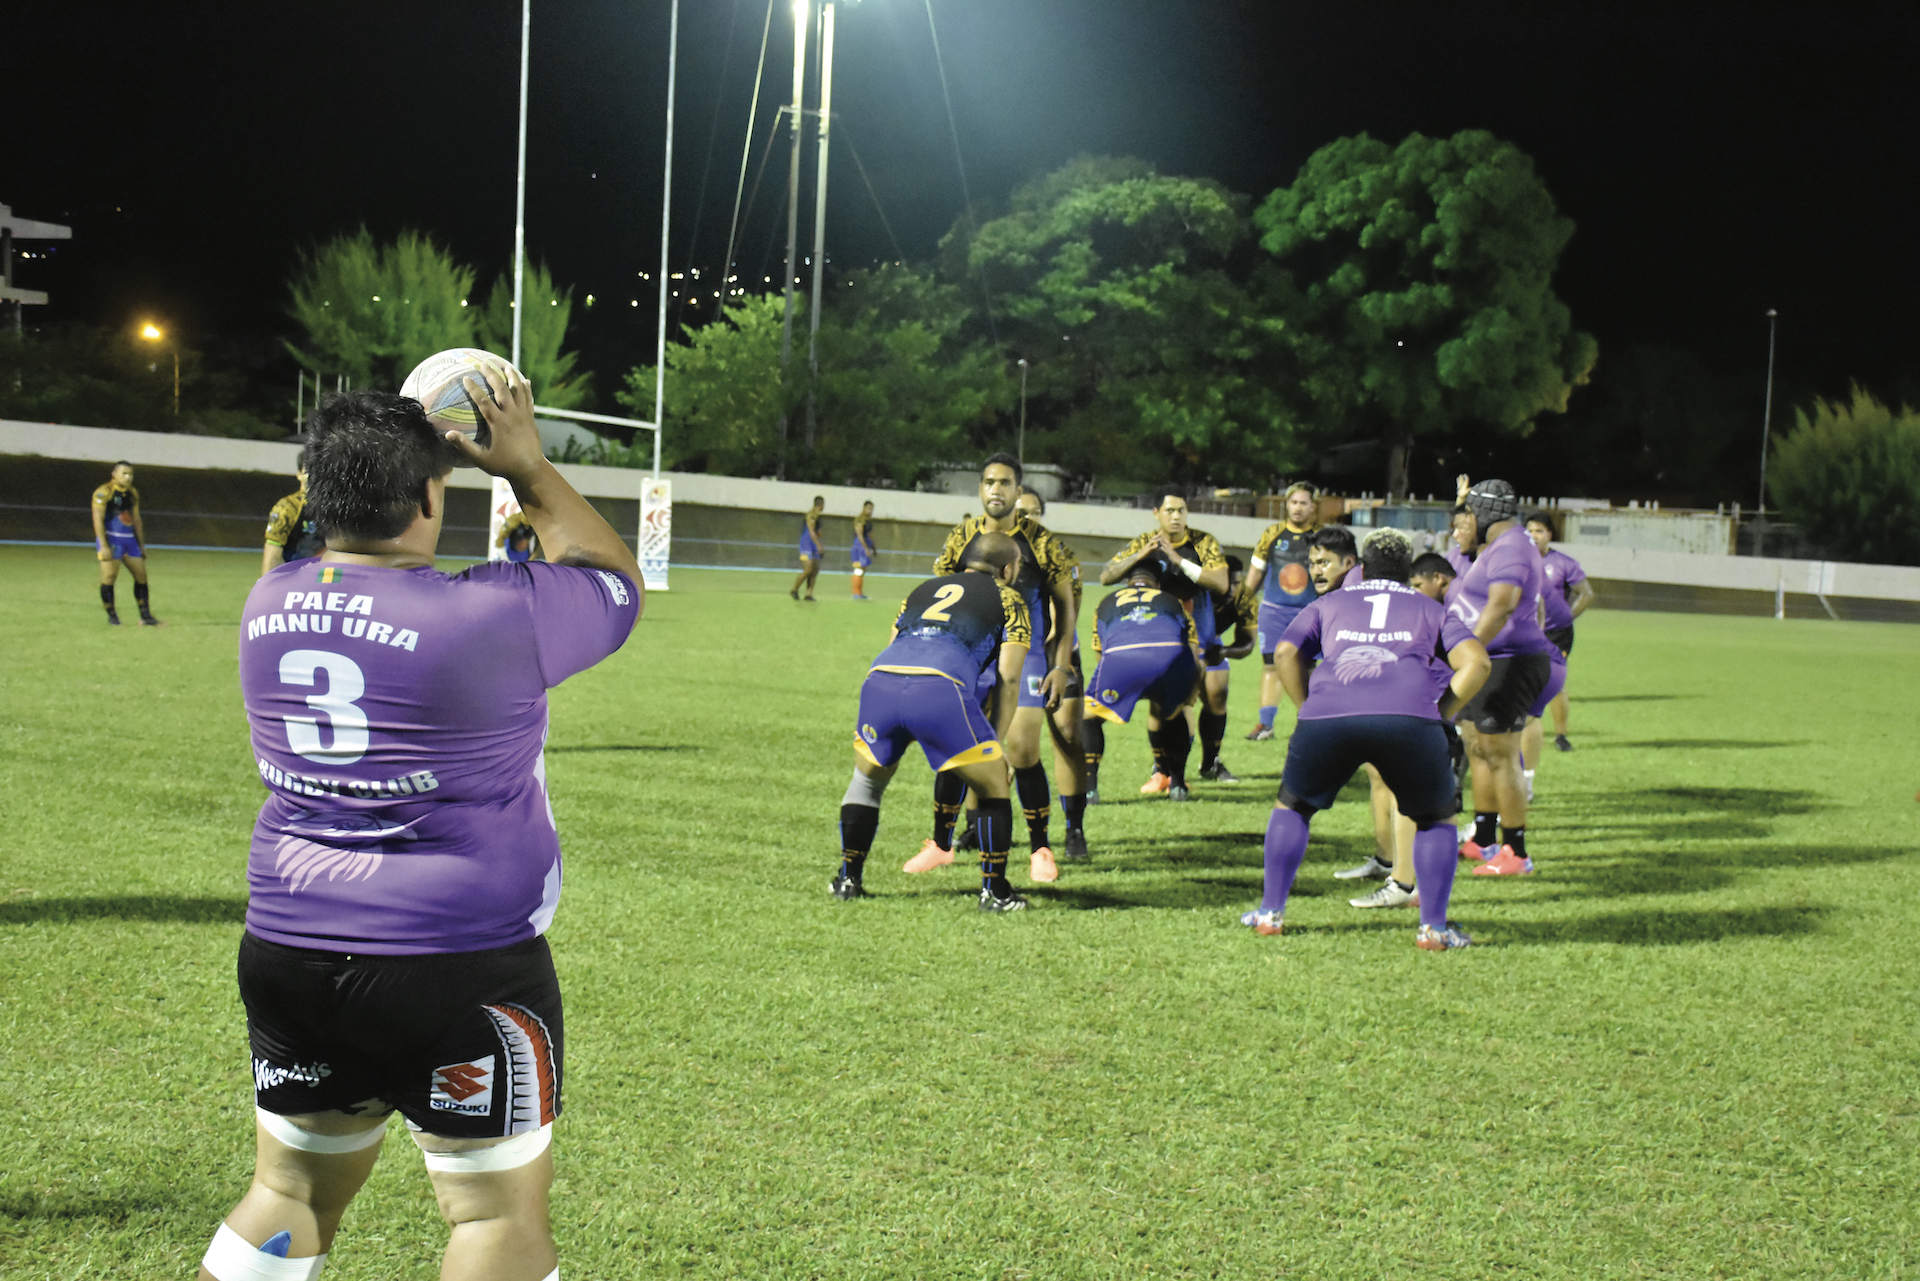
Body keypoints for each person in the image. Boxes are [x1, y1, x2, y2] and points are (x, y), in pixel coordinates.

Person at [203, 366, 643, 1281]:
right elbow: (612, 579)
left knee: (288, 1194)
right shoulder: (494, 612)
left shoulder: (267, 601)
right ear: (432, 496)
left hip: (290, 947)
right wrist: (525, 467)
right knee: (493, 1215)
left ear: (314, 496)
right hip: (457, 958)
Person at [1244, 527, 1489, 950]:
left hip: (1329, 715)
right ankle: (1433, 928)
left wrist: (1306, 707)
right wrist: (1440, 712)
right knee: (1436, 818)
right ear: (1407, 570)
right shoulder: (1428, 607)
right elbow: (1478, 664)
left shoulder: (1329, 602)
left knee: (1293, 807)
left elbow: (1284, 653)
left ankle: (1269, 913)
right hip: (1408, 718)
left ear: (1360, 566)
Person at [907, 456, 1085, 883]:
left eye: (1005, 483)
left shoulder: (1042, 542)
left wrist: (1061, 666)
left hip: (1027, 654)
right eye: (989, 482)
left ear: (1018, 490)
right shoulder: (961, 536)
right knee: (958, 748)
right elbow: (940, 593)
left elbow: (1066, 609)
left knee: (1022, 749)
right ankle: (941, 845)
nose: (996, 490)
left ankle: (1040, 849)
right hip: (972, 654)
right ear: (980, 488)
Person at [834, 532, 1033, 912]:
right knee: (993, 784)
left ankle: (847, 879)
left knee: (868, 781)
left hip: (881, 680)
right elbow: (1008, 678)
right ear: (1008, 568)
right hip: (939, 687)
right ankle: (995, 892)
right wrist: (996, 743)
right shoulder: (1009, 599)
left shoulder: (923, 589)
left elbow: (893, 641)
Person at [1341, 549, 1465, 908]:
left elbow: (1475, 663)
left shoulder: (1434, 614)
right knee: (1391, 784)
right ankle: (1398, 873)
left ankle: (1407, 885)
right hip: (1404, 709)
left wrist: (1441, 712)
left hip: (1421, 712)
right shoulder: (1413, 611)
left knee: (1419, 800)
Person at [1447, 479, 1557, 877]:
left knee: (1501, 753)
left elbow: (1503, 605)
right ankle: (1484, 838)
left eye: (1470, 514)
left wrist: (1469, 649)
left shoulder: (1511, 547)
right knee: (1478, 747)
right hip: (1495, 659)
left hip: (1509, 662)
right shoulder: (1501, 546)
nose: (1467, 522)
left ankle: (1516, 851)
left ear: (1485, 514)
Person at [1101, 488, 1229, 796]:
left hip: (1203, 633)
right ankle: (1165, 772)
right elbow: (1107, 576)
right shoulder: (1144, 542)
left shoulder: (1203, 542)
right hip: (1163, 639)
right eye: (1169, 510)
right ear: (1156, 513)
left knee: (1216, 695)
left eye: (1181, 510)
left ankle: (1209, 762)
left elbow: (1221, 583)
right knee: (1170, 705)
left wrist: (1178, 560)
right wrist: (1140, 556)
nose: (1176, 516)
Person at [1082, 564, 1204, 799]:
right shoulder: (1173, 601)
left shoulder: (1106, 601)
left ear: (1128, 583)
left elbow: (1101, 654)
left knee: (1089, 718)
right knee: (1173, 714)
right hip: (1169, 658)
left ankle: (1089, 790)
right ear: (1157, 585)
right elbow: (1193, 654)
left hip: (1121, 659)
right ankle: (1177, 785)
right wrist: (1187, 692)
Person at [1240, 482, 1320, 741]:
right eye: (1293, 502)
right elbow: (1256, 572)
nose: (1297, 508)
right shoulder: (1272, 534)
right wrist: (1242, 603)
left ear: (1313, 507)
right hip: (1274, 612)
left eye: (1303, 503)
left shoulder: (1320, 537)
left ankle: (1309, 722)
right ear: (1287, 504)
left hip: (1309, 613)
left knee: (1307, 667)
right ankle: (1265, 725)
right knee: (1271, 666)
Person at [1524, 511, 1591, 752]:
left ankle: (1561, 736)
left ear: (1550, 535)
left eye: (1540, 531)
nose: (1534, 536)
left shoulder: (1563, 563)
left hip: (1555, 634)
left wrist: (1567, 616)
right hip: (1524, 631)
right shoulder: (1517, 561)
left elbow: (1586, 593)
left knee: (1555, 682)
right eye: (1530, 531)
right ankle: (1519, 731)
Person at [1194, 554, 1257, 782]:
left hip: (1212, 642)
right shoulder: (1195, 591)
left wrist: (1224, 652)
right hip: (1182, 642)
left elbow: (1248, 642)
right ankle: (1163, 765)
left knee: (1217, 695)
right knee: (1179, 702)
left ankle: (1210, 763)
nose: (1232, 588)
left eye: (1237, 582)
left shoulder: (1244, 597)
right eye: (1226, 582)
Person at [92, 461, 157, 625]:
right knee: (109, 577)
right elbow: (98, 519)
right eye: (124, 473)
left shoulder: (132, 493)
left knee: (141, 576)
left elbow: (136, 519)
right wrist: (103, 545)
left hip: (129, 540)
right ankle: (112, 617)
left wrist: (141, 544)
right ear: (114, 474)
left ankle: (146, 616)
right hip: (112, 539)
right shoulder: (104, 492)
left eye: (131, 474)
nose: (128, 477)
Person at [261, 451, 327, 577]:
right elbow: (272, 554)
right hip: (296, 579)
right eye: (308, 471)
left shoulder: (335, 507)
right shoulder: (287, 507)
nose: (313, 476)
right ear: (299, 475)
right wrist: (266, 585)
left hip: (327, 579)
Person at [790, 496, 826, 600]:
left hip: (814, 544)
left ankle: (809, 594)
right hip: (806, 544)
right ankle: (794, 589)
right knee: (808, 569)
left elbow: (817, 532)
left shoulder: (819, 517)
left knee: (815, 570)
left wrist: (819, 541)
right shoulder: (811, 515)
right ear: (820, 505)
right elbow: (811, 531)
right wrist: (818, 545)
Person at [849, 500, 876, 599]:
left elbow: (870, 536)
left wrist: (873, 547)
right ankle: (856, 593)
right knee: (858, 569)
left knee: (863, 569)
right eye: (868, 508)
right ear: (864, 508)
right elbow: (860, 535)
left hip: (866, 545)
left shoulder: (869, 521)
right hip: (859, 546)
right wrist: (865, 548)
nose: (870, 511)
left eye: (871, 509)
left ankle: (859, 592)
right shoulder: (860, 520)